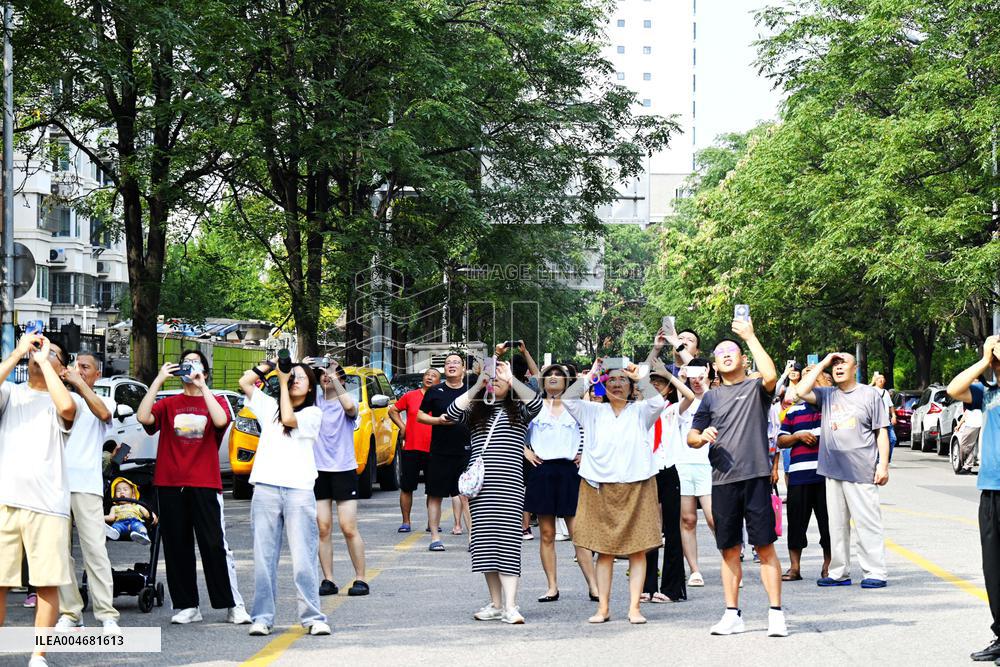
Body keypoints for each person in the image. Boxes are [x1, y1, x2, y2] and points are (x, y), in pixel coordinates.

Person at [687, 317, 787, 637]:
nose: (726, 354)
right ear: (715, 364)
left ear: (743, 359)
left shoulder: (757, 388)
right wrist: (702, 438)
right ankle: (732, 614)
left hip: (756, 476)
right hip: (722, 480)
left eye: (732, 350)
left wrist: (750, 335)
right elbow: (691, 436)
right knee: (729, 549)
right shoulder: (711, 398)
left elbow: (771, 374)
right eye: (720, 353)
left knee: (764, 546)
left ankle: (775, 615)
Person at [137, 350, 250, 625]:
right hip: (170, 483)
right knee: (177, 546)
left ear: (206, 371)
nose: (191, 367)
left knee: (213, 545)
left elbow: (221, 422)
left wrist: (203, 386)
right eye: (186, 363)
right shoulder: (169, 404)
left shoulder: (216, 401)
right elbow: (143, 417)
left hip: (205, 483)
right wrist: (158, 381)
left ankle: (231, 604)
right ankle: (187, 605)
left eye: (196, 363)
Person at [563, 356, 666, 625]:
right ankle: (603, 608)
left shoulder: (641, 411)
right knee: (604, 550)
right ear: (603, 385)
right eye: (612, 379)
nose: (617, 383)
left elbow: (658, 401)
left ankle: (634, 608)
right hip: (599, 486)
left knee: (638, 549)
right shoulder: (592, 411)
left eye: (623, 379)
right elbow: (568, 399)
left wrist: (638, 375)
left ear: (631, 386)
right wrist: (592, 374)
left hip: (638, 485)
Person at [0, 333, 77, 667]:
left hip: (48, 504)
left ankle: (39, 654)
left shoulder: (62, 397)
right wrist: (18, 351)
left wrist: (45, 360)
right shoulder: (11, 393)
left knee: (47, 582)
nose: (40, 353)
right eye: (39, 348)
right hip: (6, 499)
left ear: (62, 369)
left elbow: (68, 408)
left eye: (53, 352)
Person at [238, 358, 331, 637]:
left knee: (304, 558)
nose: (295, 379)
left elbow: (289, 419)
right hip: (266, 487)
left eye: (301, 377)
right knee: (264, 558)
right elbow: (244, 382)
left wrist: (281, 380)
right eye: (293, 375)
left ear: (311, 387)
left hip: (299, 490)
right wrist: (267, 365)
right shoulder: (269, 406)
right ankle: (263, 617)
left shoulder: (314, 413)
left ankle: (313, 617)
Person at [448, 361, 542, 624]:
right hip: (481, 491)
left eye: (500, 380)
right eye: (493, 379)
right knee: (485, 546)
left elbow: (537, 403)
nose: (496, 381)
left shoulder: (519, 411)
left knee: (509, 545)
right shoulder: (476, 413)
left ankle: (511, 606)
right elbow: (452, 411)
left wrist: (512, 379)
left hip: (509, 488)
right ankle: (497, 604)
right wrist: (478, 383)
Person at [795, 353, 890, 589]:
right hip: (832, 470)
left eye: (843, 363)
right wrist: (823, 363)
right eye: (835, 365)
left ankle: (875, 572)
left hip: (861, 469)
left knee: (868, 524)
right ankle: (839, 572)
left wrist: (883, 465)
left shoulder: (870, 394)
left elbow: (882, 432)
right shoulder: (827, 395)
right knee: (836, 526)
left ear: (855, 368)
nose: (838, 368)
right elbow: (800, 391)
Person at [55, 354, 120, 633]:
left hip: (86, 485)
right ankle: (71, 612)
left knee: (94, 549)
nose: (79, 371)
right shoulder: (57, 398)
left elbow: (104, 414)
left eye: (86, 368)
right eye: (76, 366)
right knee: (58, 552)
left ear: (97, 374)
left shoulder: (104, 400)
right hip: (54, 485)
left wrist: (79, 385)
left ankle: (107, 614)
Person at [946, 335, 1000, 662]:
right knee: (994, 569)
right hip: (991, 490)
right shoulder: (987, 393)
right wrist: (985, 361)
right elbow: (954, 389)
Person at [523, 364, 598, 602]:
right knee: (546, 533)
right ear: (542, 382)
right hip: (541, 470)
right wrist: (525, 451)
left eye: (559, 375)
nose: (554, 378)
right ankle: (552, 587)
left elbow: (596, 430)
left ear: (567, 382)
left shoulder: (574, 406)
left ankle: (594, 586)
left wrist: (585, 453)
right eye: (549, 375)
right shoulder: (534, 406)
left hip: (569, 472)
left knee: (579, 533)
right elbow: (516, 429)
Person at [310, 359, 368, 597]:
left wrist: (335, 378)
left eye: (333, 374)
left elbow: (350, 409)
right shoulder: (312, 402)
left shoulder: (348, 401)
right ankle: (328, 579)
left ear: (342, 379)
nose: (327, 376)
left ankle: (361, 579)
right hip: (318, 471)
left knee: (348, 527)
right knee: (323, 528)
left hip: (343, 469)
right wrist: (300, 367)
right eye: (323, 374)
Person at [643, 362, 696, 603]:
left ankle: (672, 588)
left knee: (673, 530)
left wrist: (669, 376)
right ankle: (646, 585)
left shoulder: (673, 409)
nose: (656, 385)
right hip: (646, 472)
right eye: (652, 382)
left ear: (667, 388)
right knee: (648, 529)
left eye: (660, 383)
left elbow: (690, 395)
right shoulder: (640, 410)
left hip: (669, 470)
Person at [777, 368, 832, 582]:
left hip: (826, 476)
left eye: (824, 378)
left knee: (828, 524)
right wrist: (797, 436)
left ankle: (828, 565)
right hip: (799, 475)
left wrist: (819, 376)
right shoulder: (793, 410)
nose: (819, 380)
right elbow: (781, 440)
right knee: (796, 522)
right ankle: (794, 567)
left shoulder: (832, 408)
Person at [418, 353, 472, 552]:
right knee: (435, 495)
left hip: (466, 450)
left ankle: (472, 539)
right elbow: (420, 416)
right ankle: (435, 538)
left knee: (466, 495)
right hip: (439, 451)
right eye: (448, 363)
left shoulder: (470, 390)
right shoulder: (434, 391)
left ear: (463, 368)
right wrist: (438, 421)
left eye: (456, 362)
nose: (451, 365)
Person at [674, 359, 715, 587]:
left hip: (708, 465)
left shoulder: (716, 398)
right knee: (687, 519)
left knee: (713, 518)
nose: (696, 381)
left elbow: (712, 404)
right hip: (683, 464)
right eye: (693, 376)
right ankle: (695, 570)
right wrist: (681, 380)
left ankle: (730, 562)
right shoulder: (683, 400)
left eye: (701, 375)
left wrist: (706, 381)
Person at [389, 368, 441, 532]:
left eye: (434, 376)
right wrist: (402, 427)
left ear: (439, 381)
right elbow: (393, 410)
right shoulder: (410, 396)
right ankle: (406, 522)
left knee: (433, 489)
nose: (429, 377)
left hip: (434, 448)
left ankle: (431, 524)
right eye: (427, 375)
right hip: (411, 447)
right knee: (407, 487)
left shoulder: (441, 396)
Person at [104, 477, 156, 543]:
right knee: (116, 526)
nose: (122, 492)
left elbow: (147, 513)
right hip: (120, 522)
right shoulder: (115, 508)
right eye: (118, 491)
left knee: (139, 526)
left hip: (134, 522)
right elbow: (111, 517)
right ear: (114, 496)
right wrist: (100, 517)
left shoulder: (137, 506)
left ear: (133, 495)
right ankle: (114, 532)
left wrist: (153, 516)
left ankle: (143, 535)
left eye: (125, 490)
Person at [871, 372, 898, 454]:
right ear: (875, 380)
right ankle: (879, 459)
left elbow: (891, 405)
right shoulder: (871, 390)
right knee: (877, 442)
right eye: (879, 378)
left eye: (883, 378)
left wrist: (893, 416)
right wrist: (872, 383)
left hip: (887, 421)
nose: (881, 380)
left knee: (893, 439)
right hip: (876, 422)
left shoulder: (886, 392)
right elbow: (862, 390)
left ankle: (885, 459)